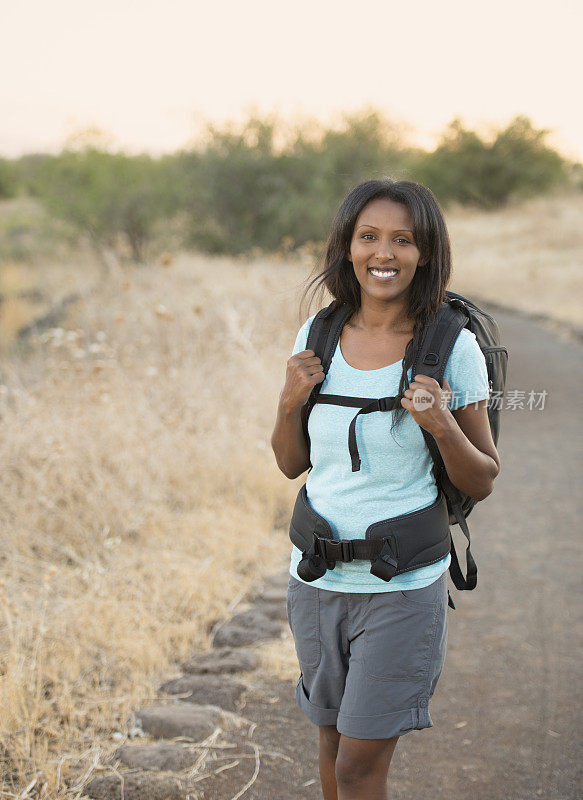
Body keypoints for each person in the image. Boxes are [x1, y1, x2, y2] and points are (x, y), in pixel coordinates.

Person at [270, 179, 501, 800]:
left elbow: (482, 475)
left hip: (401, 587)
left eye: (404, 239)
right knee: (329, 740)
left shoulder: (452, 347)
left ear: (426, 253)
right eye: (368, 236)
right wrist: (290, 404)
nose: (385, 253)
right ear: (346, 246)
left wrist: (442, 424)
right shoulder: (317, 336)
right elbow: (291, 464)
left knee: (358, 766)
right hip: (315, 579)